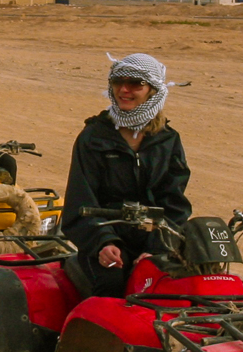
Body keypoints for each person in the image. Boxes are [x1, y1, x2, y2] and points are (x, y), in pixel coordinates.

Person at [59, 53, 192, 298]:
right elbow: (80, 202)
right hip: (106, 239)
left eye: (135, 84)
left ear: (153, 90)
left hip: (155, 240)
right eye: (118, 82)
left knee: (185, 287)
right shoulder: (93, 137)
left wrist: (158, 249)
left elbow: (174, 203)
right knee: (111, 284)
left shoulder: (167, 140)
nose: (124, 90)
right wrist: (104, 243)